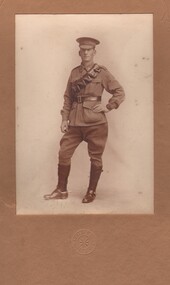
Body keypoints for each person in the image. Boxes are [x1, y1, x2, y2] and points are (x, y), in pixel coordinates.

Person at [44, 37, 125, 203]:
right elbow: (68, 97)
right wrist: (64, 118)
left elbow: (119, 92)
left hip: (96, 123)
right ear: (79, 52)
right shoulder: (74, 73)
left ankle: (91, 191)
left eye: (89, 50)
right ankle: (61, 190)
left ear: (94, 52)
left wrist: (108, 107)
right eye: (83, 50)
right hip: (74, 122)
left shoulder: (102, 72)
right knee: (64, 153)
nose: (86, 52)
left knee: (96, 158)